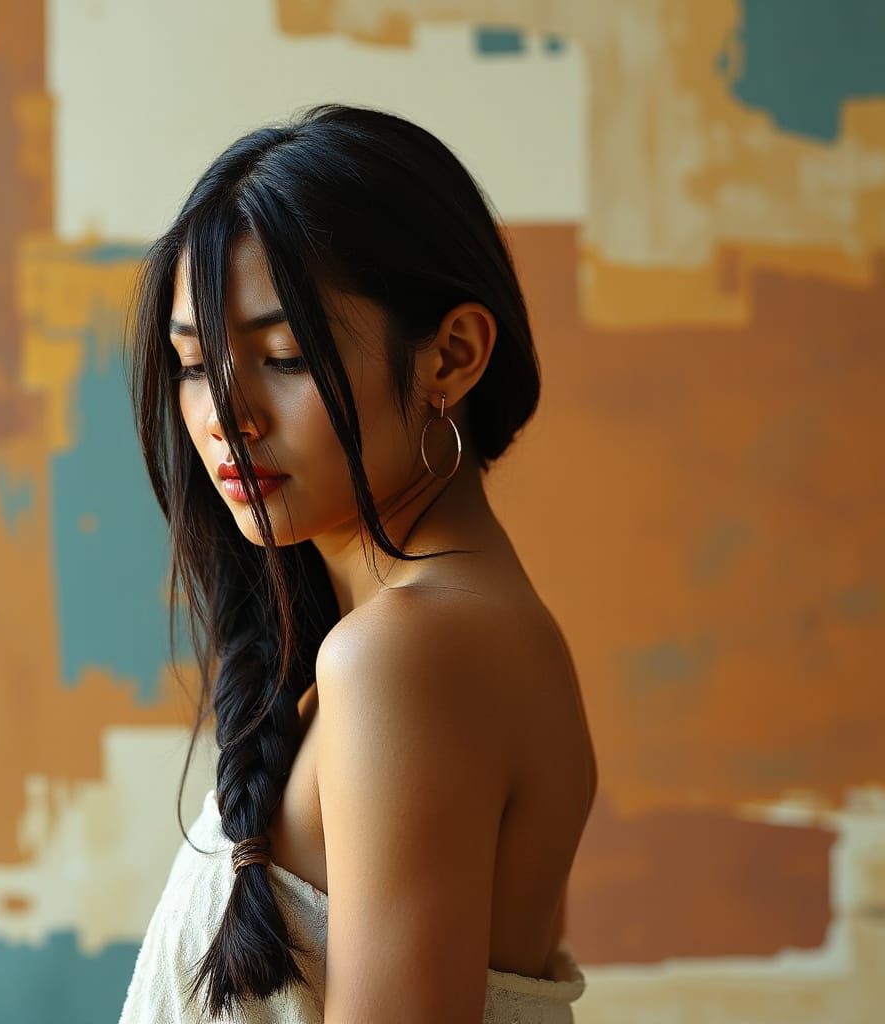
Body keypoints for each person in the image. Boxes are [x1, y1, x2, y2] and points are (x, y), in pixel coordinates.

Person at [119, 101, 597, 1024]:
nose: (226, 414)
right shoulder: (431, 635)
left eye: (285, 356)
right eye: (193, 365)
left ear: (451, 356)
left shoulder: (410, 653)